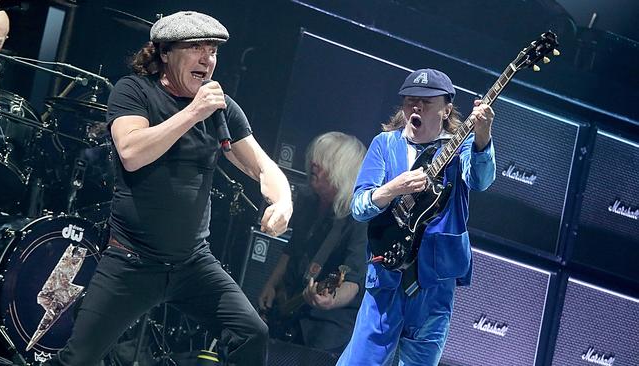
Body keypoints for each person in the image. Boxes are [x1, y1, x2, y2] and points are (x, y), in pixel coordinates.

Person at [45, 11, 293, 366]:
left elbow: (263, 166)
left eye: (213, 51)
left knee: (252, 333)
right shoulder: (134, 91)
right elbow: (131, 152)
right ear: (164, 53)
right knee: (78, 359)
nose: (208, 59)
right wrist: (193, 112)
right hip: (132, 261)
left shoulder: (220, 109)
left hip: (192, 263)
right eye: (196, 48)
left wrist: (283, 200)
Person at [336, 69, 496, 365]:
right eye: (410, 101)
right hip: (387, 274)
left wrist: (483, 137)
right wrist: (390, 190)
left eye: (426, 102)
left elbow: (480, 180)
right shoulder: (385, 144)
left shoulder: (460, 148)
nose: (416, 107)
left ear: (446, 109)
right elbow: (358, 206)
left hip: (435, 279)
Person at [258, 131, 368, 355]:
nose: (314, 164)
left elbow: (355, 280)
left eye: (324, 160)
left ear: (342, 170)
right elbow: (292, 248)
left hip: (327, 326)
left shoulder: (358, 218)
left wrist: (331, 301)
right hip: (289, 307)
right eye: (314, 157)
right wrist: (272, 284)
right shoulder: (307, 199)